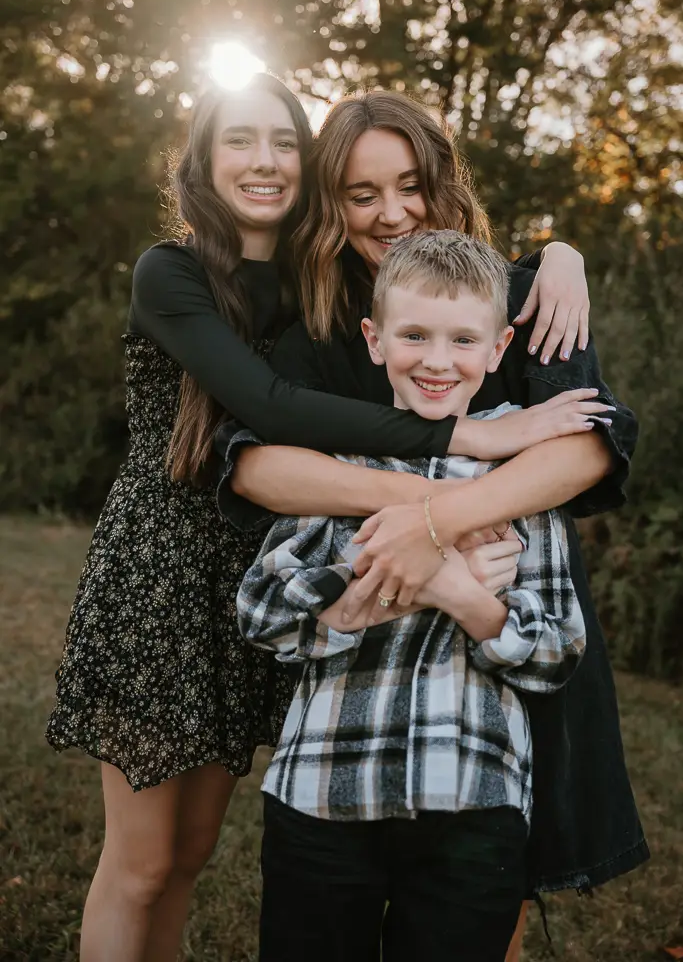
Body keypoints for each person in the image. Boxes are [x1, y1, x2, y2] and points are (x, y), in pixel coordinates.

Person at [44, 76, 590, 962]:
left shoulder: (321, 280)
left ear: (307, 166)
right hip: (168, 569)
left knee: (187, 856)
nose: (263, 160)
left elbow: (448, 286)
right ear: (199, 160)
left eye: (283, 141)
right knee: (140, 863)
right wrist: (459, 451)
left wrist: (558, 252)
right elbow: (270, 405)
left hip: (268, 555)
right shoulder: (174, 270)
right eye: (238, 140)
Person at [220, 91, 648, 953]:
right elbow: (258, 468)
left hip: (502, 624)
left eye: (409, 184)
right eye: (360, 192)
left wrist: (438, 525)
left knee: (485, 880)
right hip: (356, 703)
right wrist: (401, 532)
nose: (392, 212)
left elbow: (593, 445)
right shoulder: (319, 331)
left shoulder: (520, 299)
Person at [235, 230, 591, 962]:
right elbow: (262, 613)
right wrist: (416, 586)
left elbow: (555, 650)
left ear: (496, 352)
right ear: (374, 339)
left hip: (471, 799)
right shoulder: (335, 463)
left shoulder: (522, 474)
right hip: (322, 792)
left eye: (463, 339)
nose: (436, 360)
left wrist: (466, 599)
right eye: (414, 335)